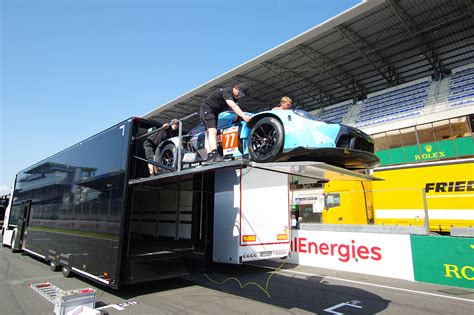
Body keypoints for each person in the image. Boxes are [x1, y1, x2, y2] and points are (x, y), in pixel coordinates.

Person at [199, 83, 251, 163]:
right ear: (236, 88)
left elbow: (236, 109)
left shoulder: (235, 97)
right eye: (239, 93)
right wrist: (244, 116)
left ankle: (210, 157)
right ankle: (215, 155)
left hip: (214, 112)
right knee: (213, 131)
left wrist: (236, 119)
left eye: (242, 95)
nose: (239, 96)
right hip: (207, 109)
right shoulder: (227, 91)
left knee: (208, 133)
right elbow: (233, 106)